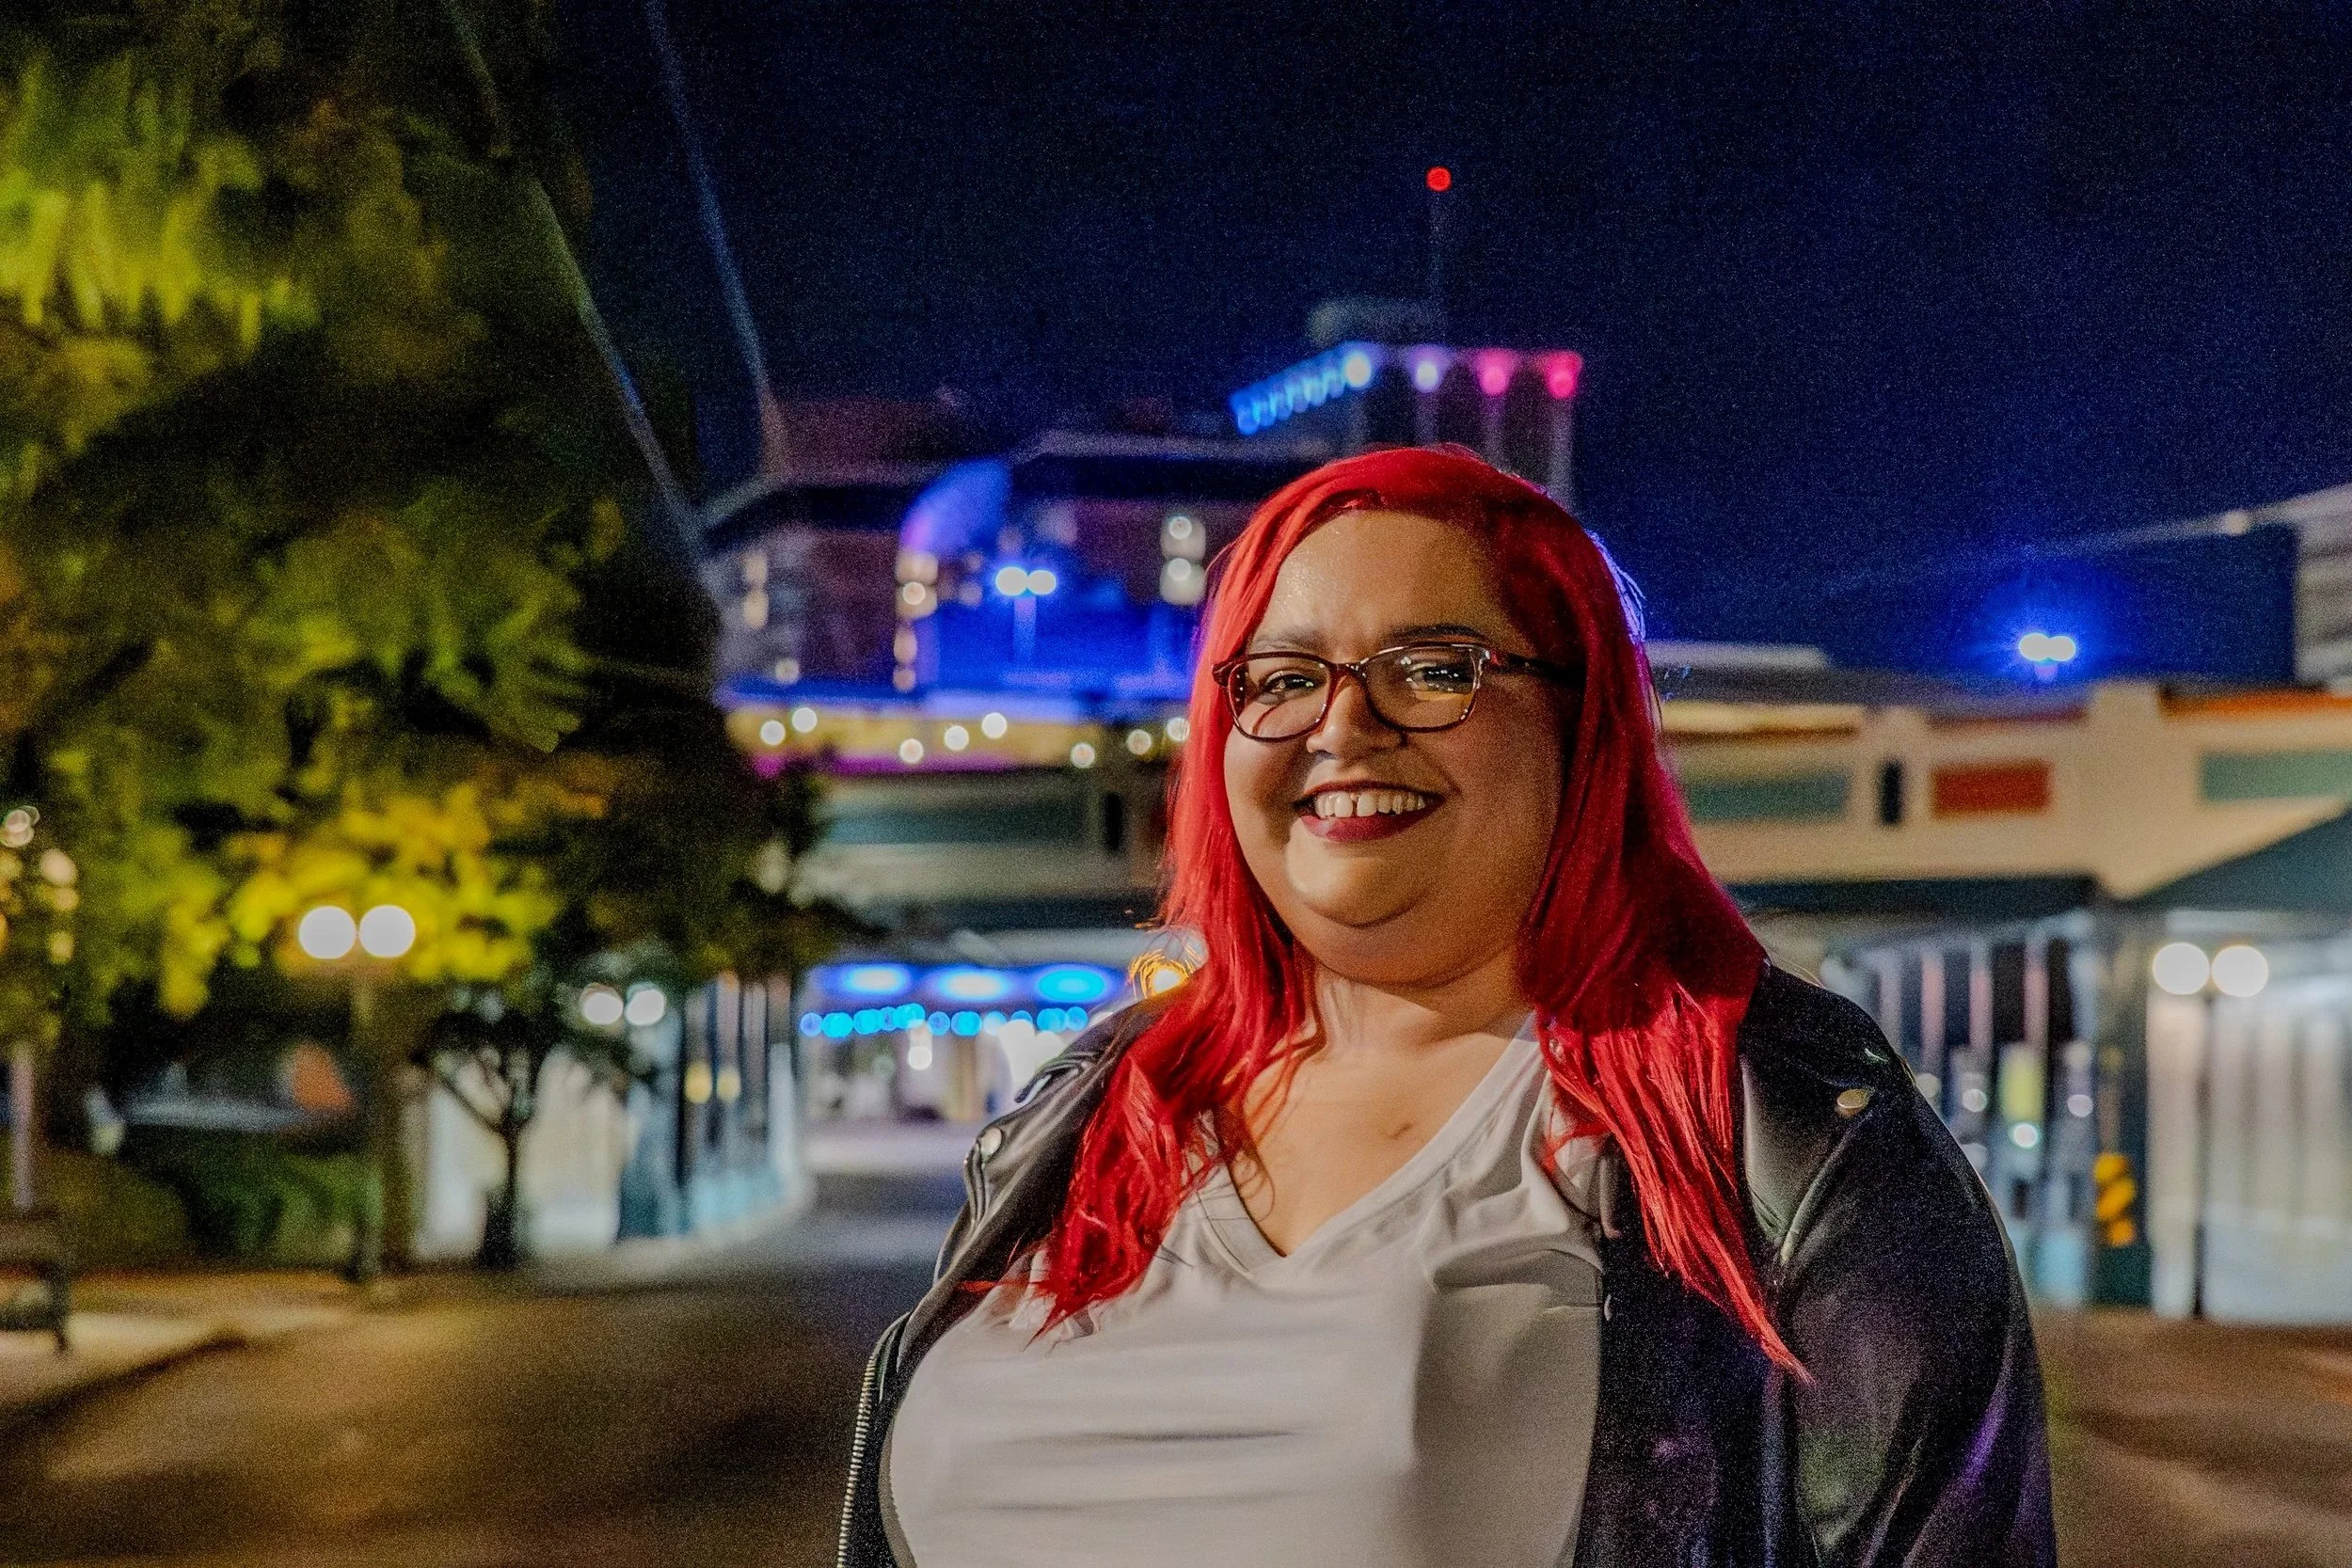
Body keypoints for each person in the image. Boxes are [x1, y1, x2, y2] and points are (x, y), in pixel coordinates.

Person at [837, 446, 2054, 1568]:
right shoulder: (1094, 1102)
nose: (1343, 724)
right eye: (1283, 676)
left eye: (1434, 669)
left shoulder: (1782, 1126)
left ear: (1582, 728)